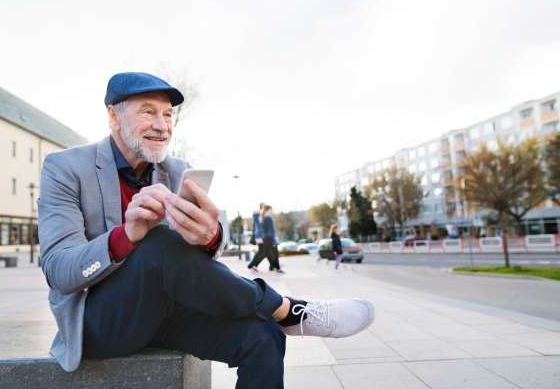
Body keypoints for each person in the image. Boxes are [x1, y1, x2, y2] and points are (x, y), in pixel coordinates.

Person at [38, 72, 376, 388]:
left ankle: (278, 316)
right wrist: (127, 234)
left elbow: (192, 259)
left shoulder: (178, 169)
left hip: (167, 311)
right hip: (101, 323)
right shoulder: (65, 168)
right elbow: (59, 271)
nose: (162, 126)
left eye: (168, 115)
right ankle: (289, 310)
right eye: (147, 112)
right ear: (113, 117)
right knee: (155, 242)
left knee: (263, 335)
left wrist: (209, 236)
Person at [248, 203, 276, 273]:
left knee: (264, 251)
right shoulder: (262, 215)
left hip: (259, 235)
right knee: (263, 252)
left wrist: (254, 233)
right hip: (263, 236)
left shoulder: (256, 214)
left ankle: (273, 265)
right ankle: (253, 265)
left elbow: (255, 226)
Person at [259, 205, 284, 274]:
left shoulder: (263, 217)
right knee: (275, 253)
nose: (272, 211)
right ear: (269, 209)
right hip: (269, 238)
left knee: (266, 253)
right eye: (271, 209)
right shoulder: (268, 218)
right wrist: (273, 241)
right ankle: (278, 268)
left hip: (265, 238)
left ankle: (275, 266)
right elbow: (271, 230)